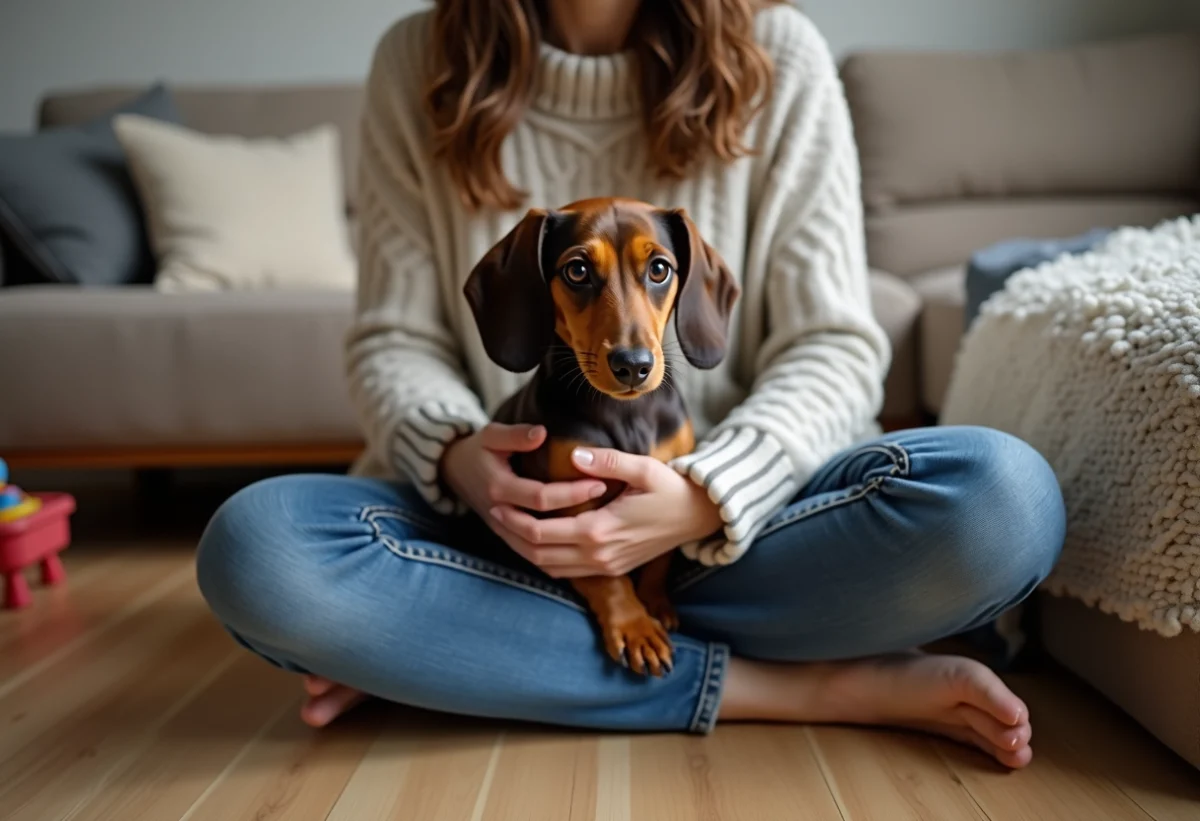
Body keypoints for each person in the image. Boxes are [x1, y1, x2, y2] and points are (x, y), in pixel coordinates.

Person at [195, 0, 1065, 769]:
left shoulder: (782, 54)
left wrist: (706, 498)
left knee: (1005, 501)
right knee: (260, 550)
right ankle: (813, 685)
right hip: (506, 536)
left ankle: (467, 654)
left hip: (745, 535)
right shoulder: (416, 61)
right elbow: (395, 339)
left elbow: (834, 345)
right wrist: (460, 458)